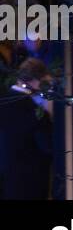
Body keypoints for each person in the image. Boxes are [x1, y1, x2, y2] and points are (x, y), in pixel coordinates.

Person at [0, 58, 54, 199]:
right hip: (31, 185)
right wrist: (49, 114)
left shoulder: (3, 101)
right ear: (37, 81)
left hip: (6, 181)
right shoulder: (35, 111)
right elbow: (48, 145)